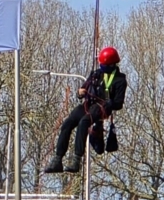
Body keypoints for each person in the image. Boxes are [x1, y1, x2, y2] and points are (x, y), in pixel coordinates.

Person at [44, 46, 128, 174]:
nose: (102, 67)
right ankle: (58, 159)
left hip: (101, 107)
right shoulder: (96, 74)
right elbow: (85, 87)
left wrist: (109, 103)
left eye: (104, 65)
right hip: (88, 104)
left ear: (112, 64)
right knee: (68, 123)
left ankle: (76, 159)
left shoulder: (120, 80)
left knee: (84, 123)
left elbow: (118, 103)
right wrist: (80, 93)